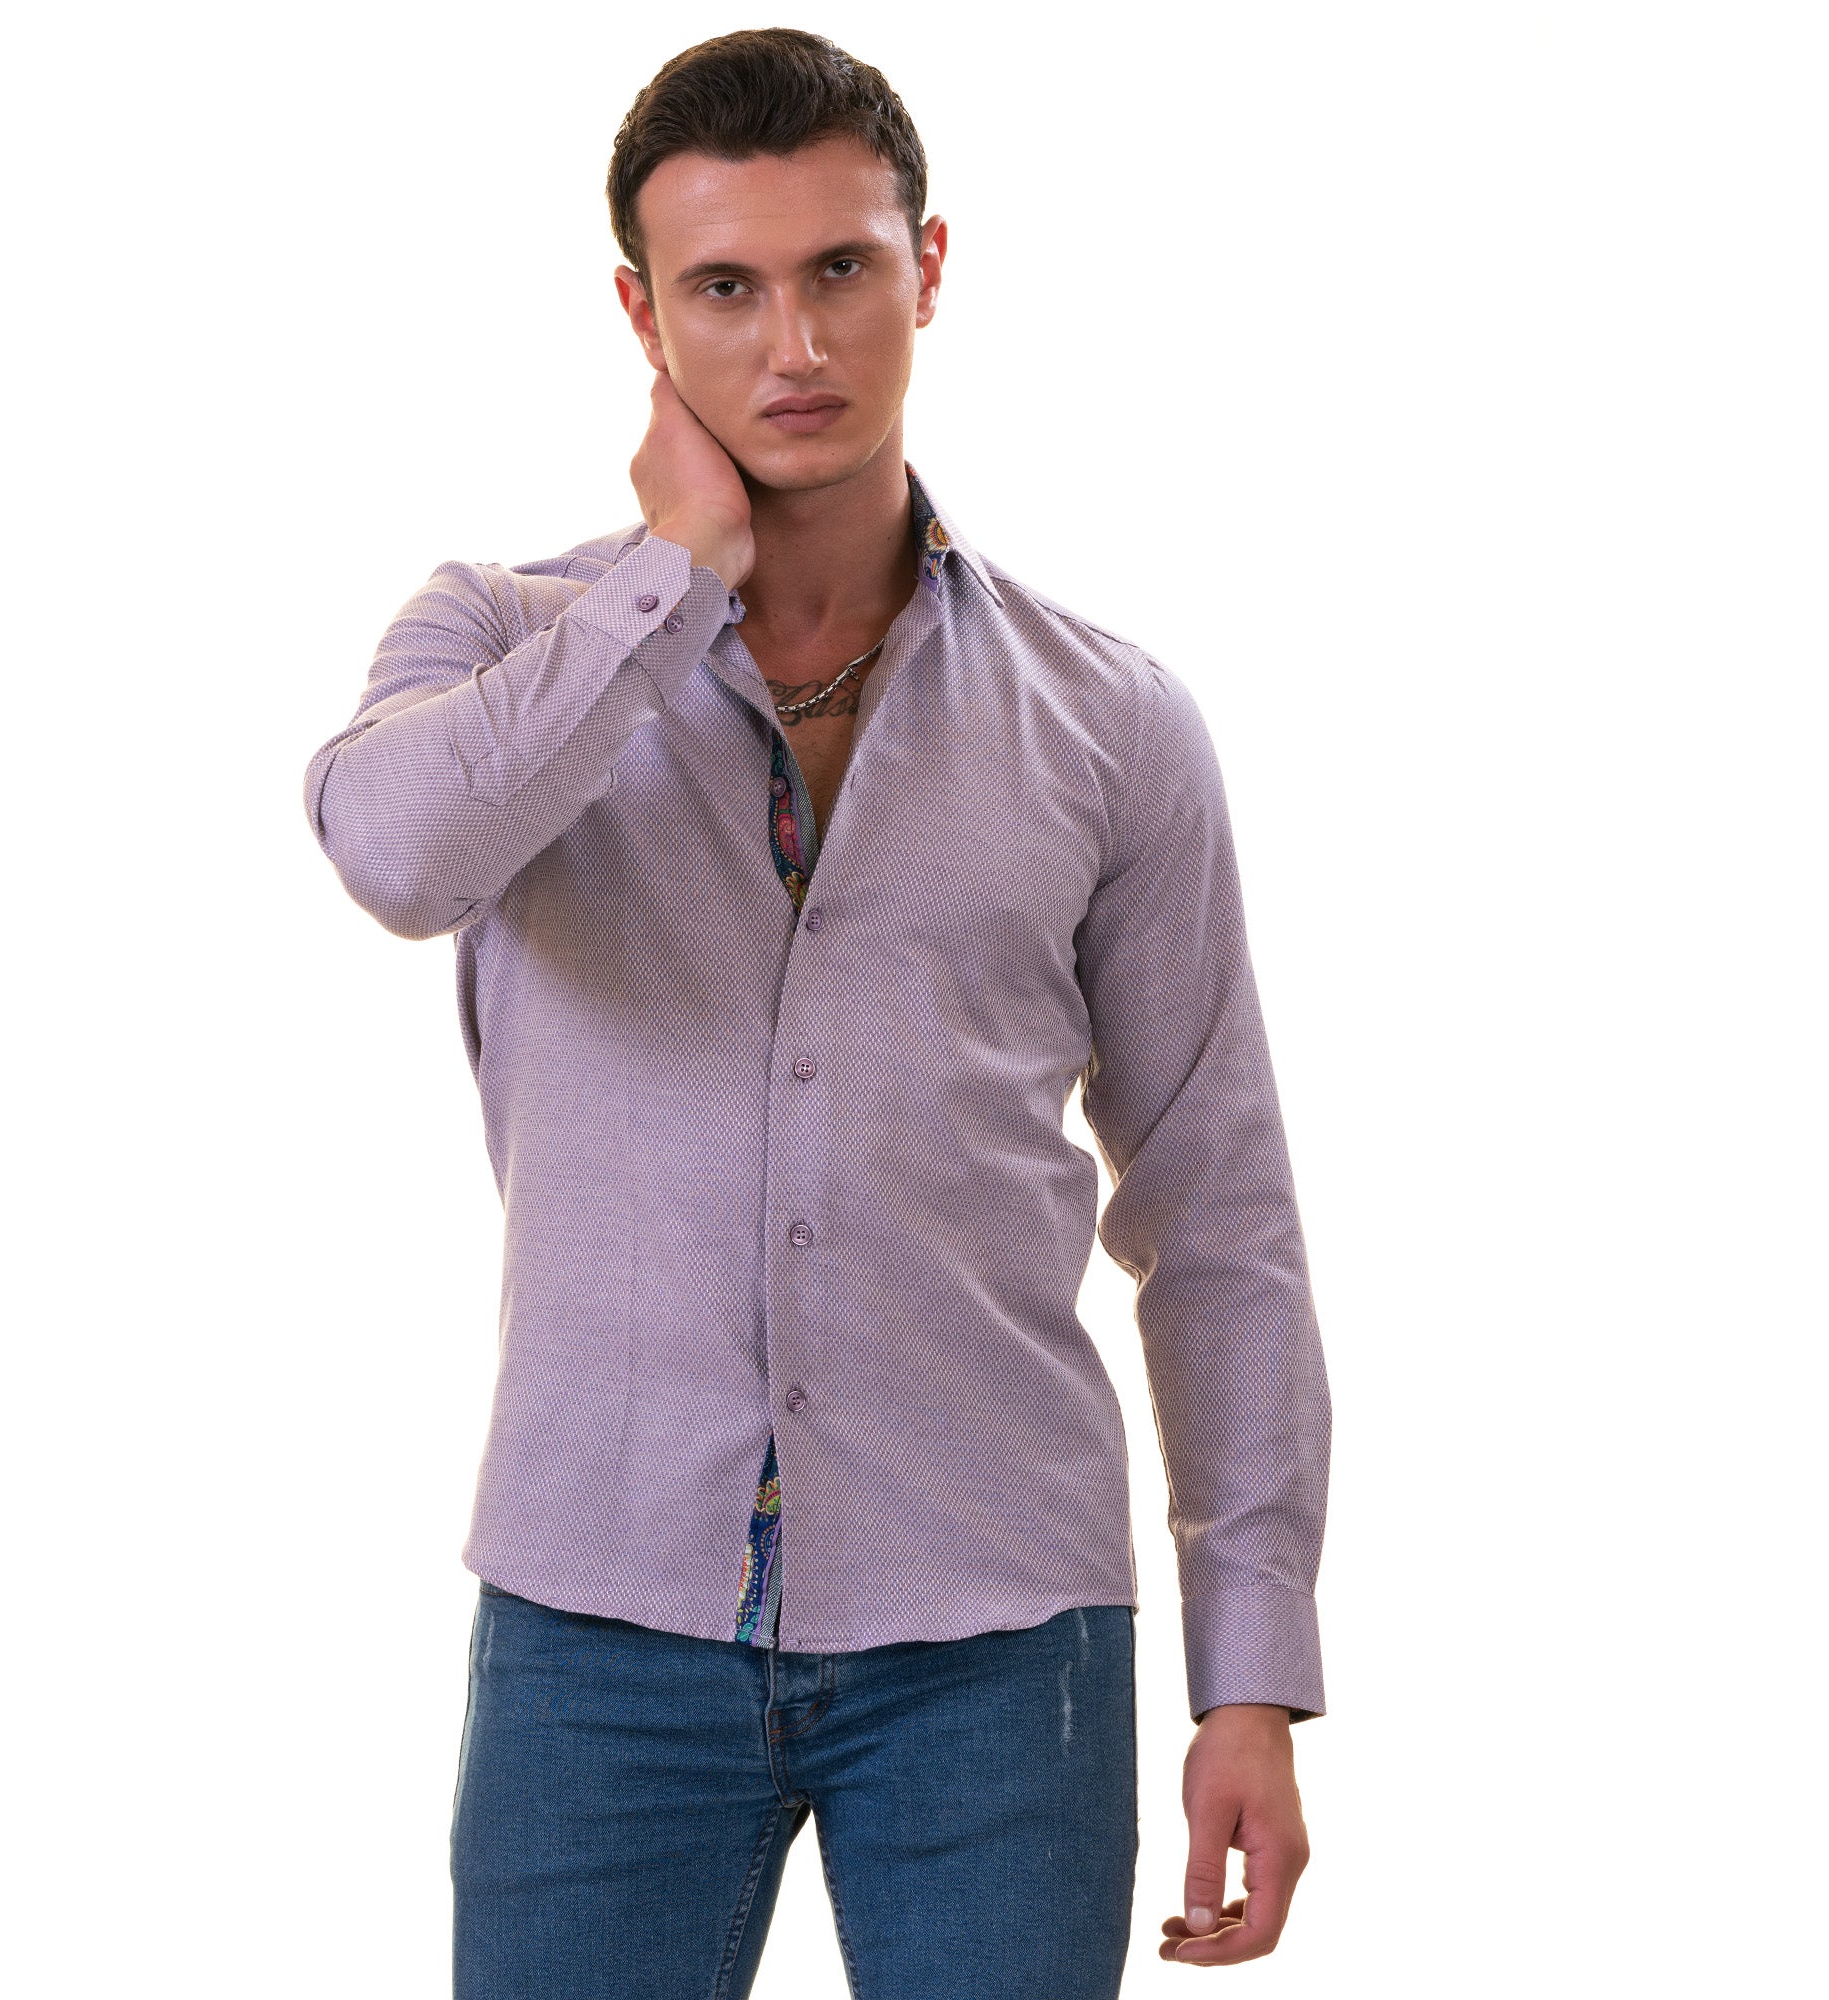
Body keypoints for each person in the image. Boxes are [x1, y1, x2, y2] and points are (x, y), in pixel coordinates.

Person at [301, 27, 1331, 1998]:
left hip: (1000, 1642)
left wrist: (1251, 1674)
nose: (794, 343)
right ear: (641, 315)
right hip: (598, 1632)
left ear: (927, 268)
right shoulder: (503, 641)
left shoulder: (1114, 724)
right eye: (725, 287)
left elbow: (1219, 1212)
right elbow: (397, 856)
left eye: (840, 268)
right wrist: (672, 576)